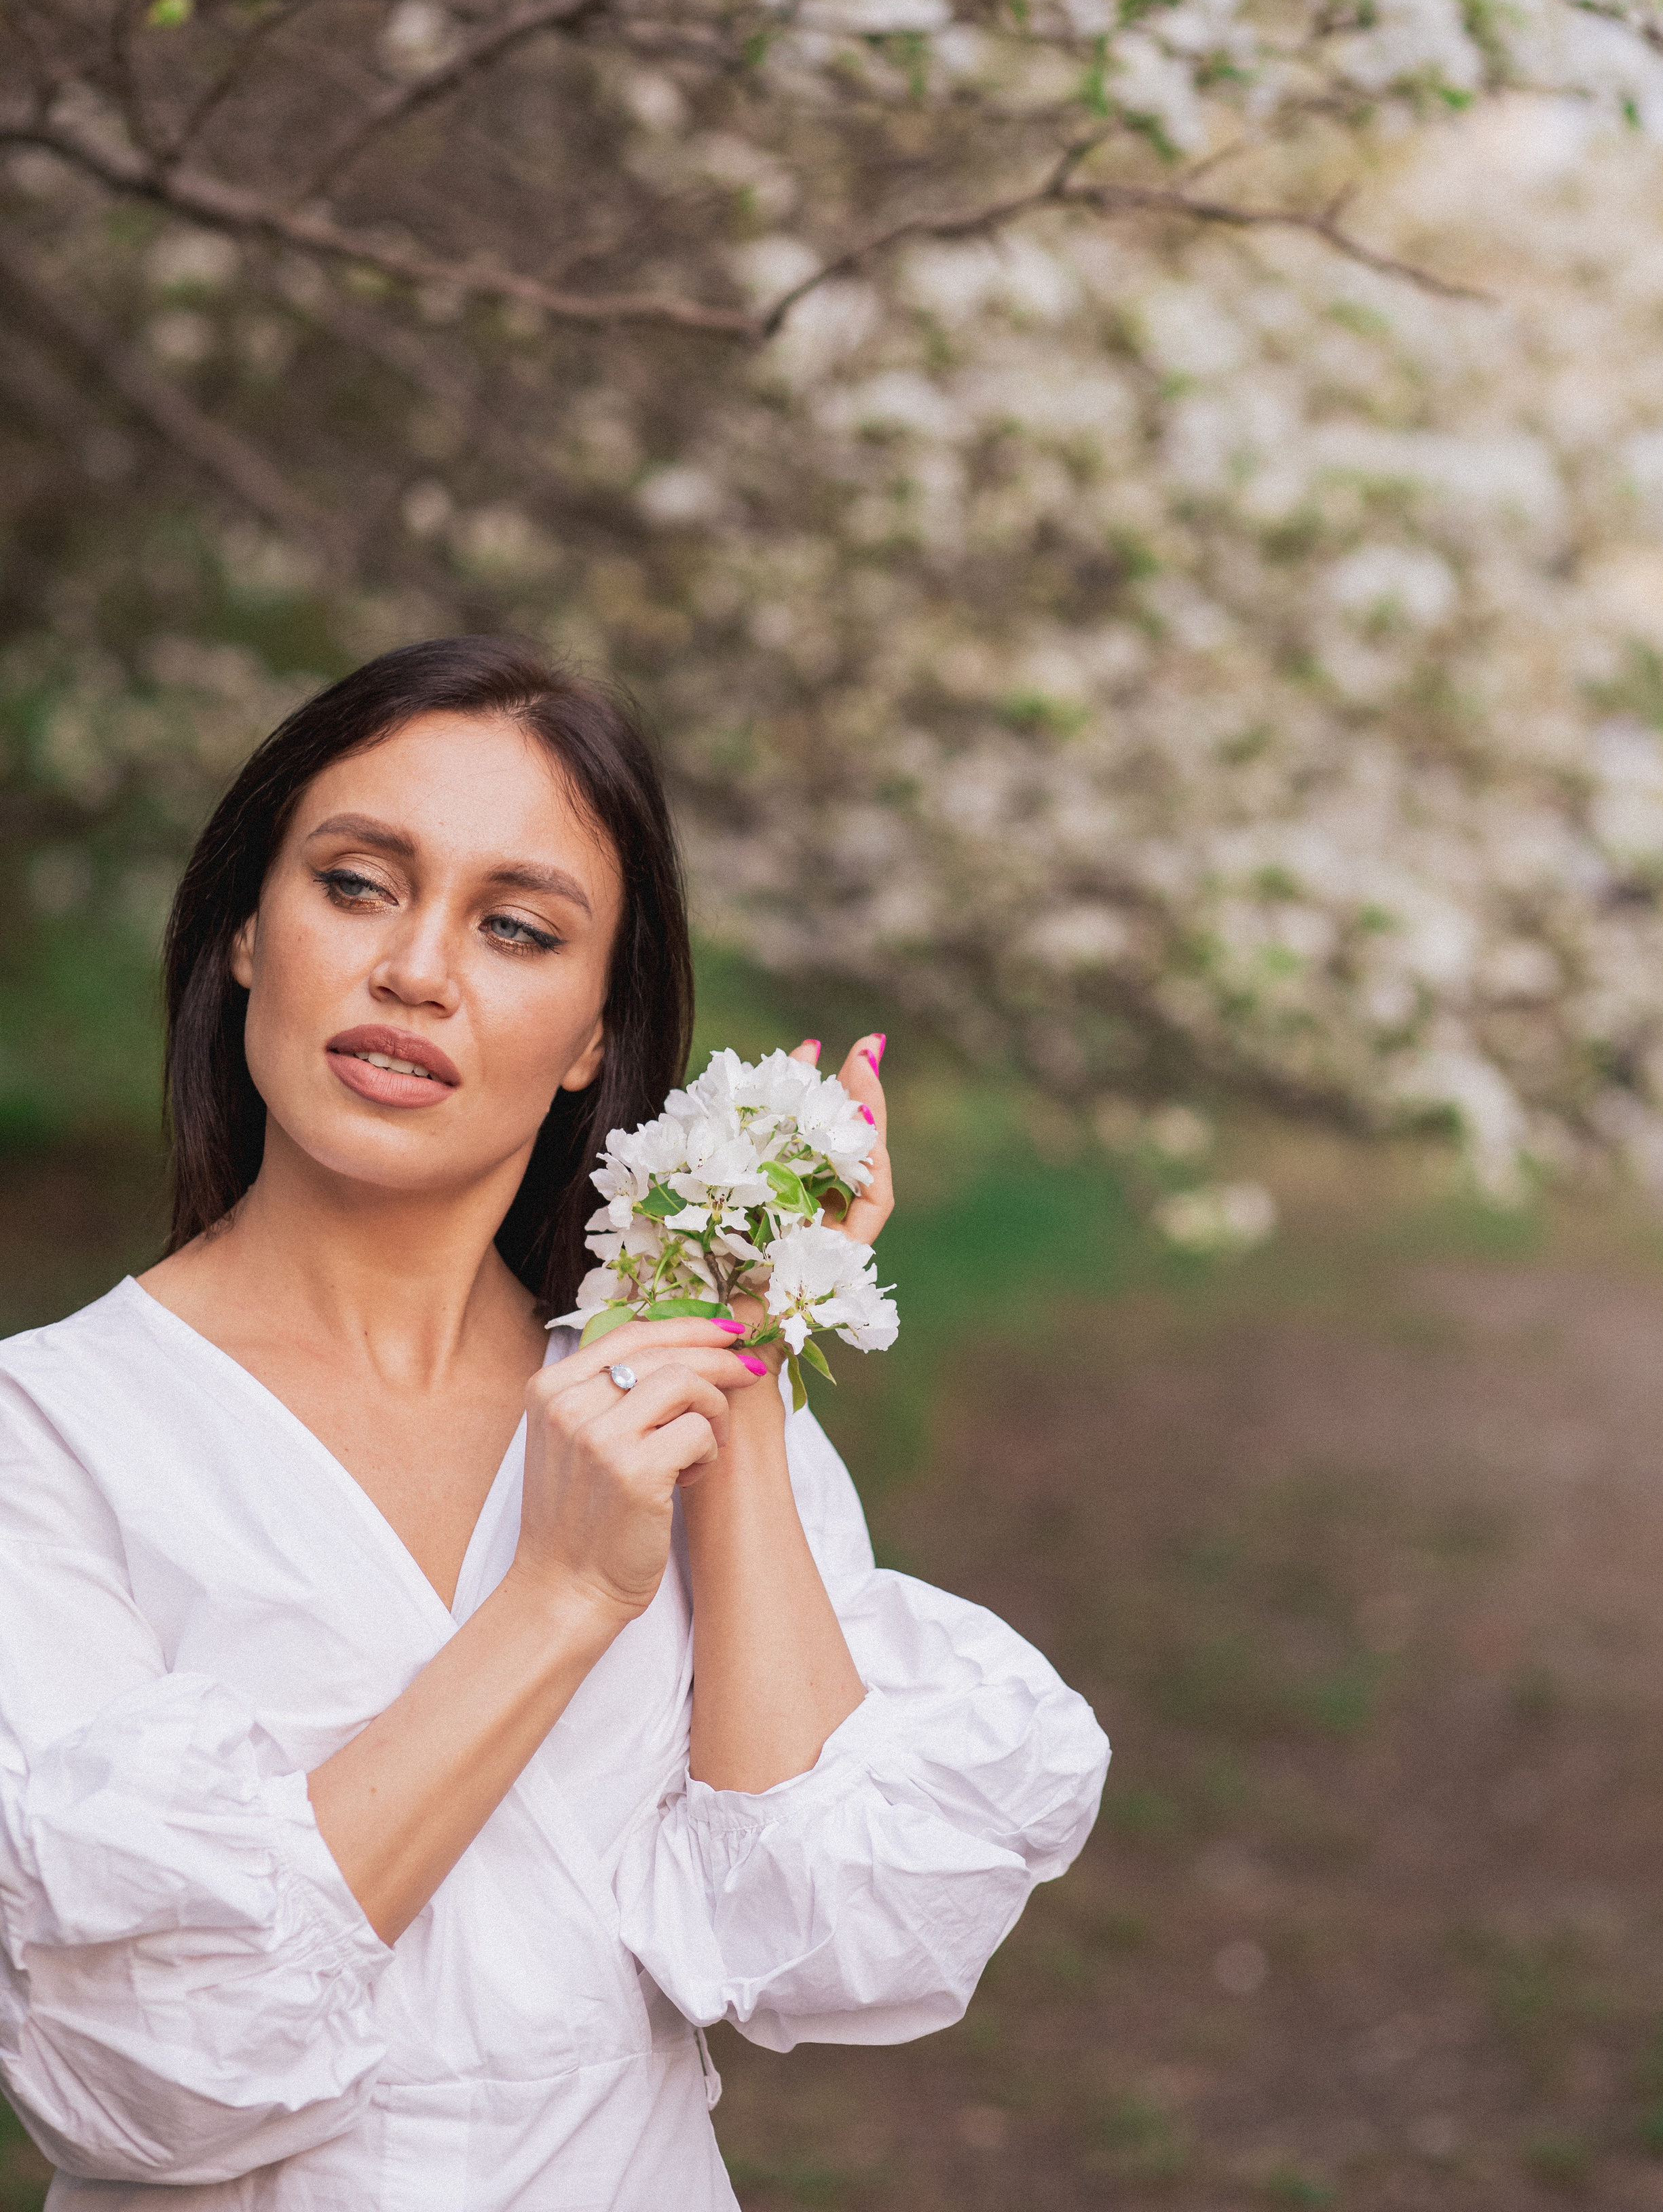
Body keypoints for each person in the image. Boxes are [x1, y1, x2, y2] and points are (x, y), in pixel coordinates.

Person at [0, 637, 1108, 2211]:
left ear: (594, 1032)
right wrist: (560, 1596)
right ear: (248, 930)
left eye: (515, 928)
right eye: (359, 884)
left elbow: (830, 1942)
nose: (418, 971)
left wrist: (732, 1344)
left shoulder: (665, 1398)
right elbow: (146, 2078)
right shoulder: (48, 1435)